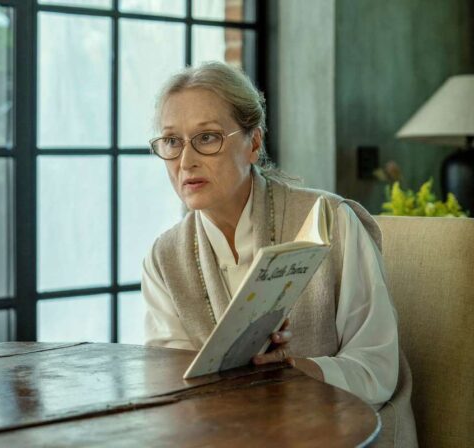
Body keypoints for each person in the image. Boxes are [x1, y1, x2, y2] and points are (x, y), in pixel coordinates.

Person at [141, 62, 417, 447]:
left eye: (207, 137)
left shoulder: (330, 221)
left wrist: (296, 370)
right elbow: (172, 386)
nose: (186, 162)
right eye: (172, 141)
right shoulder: (164, 258)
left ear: (254, 143)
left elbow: (378, 368)